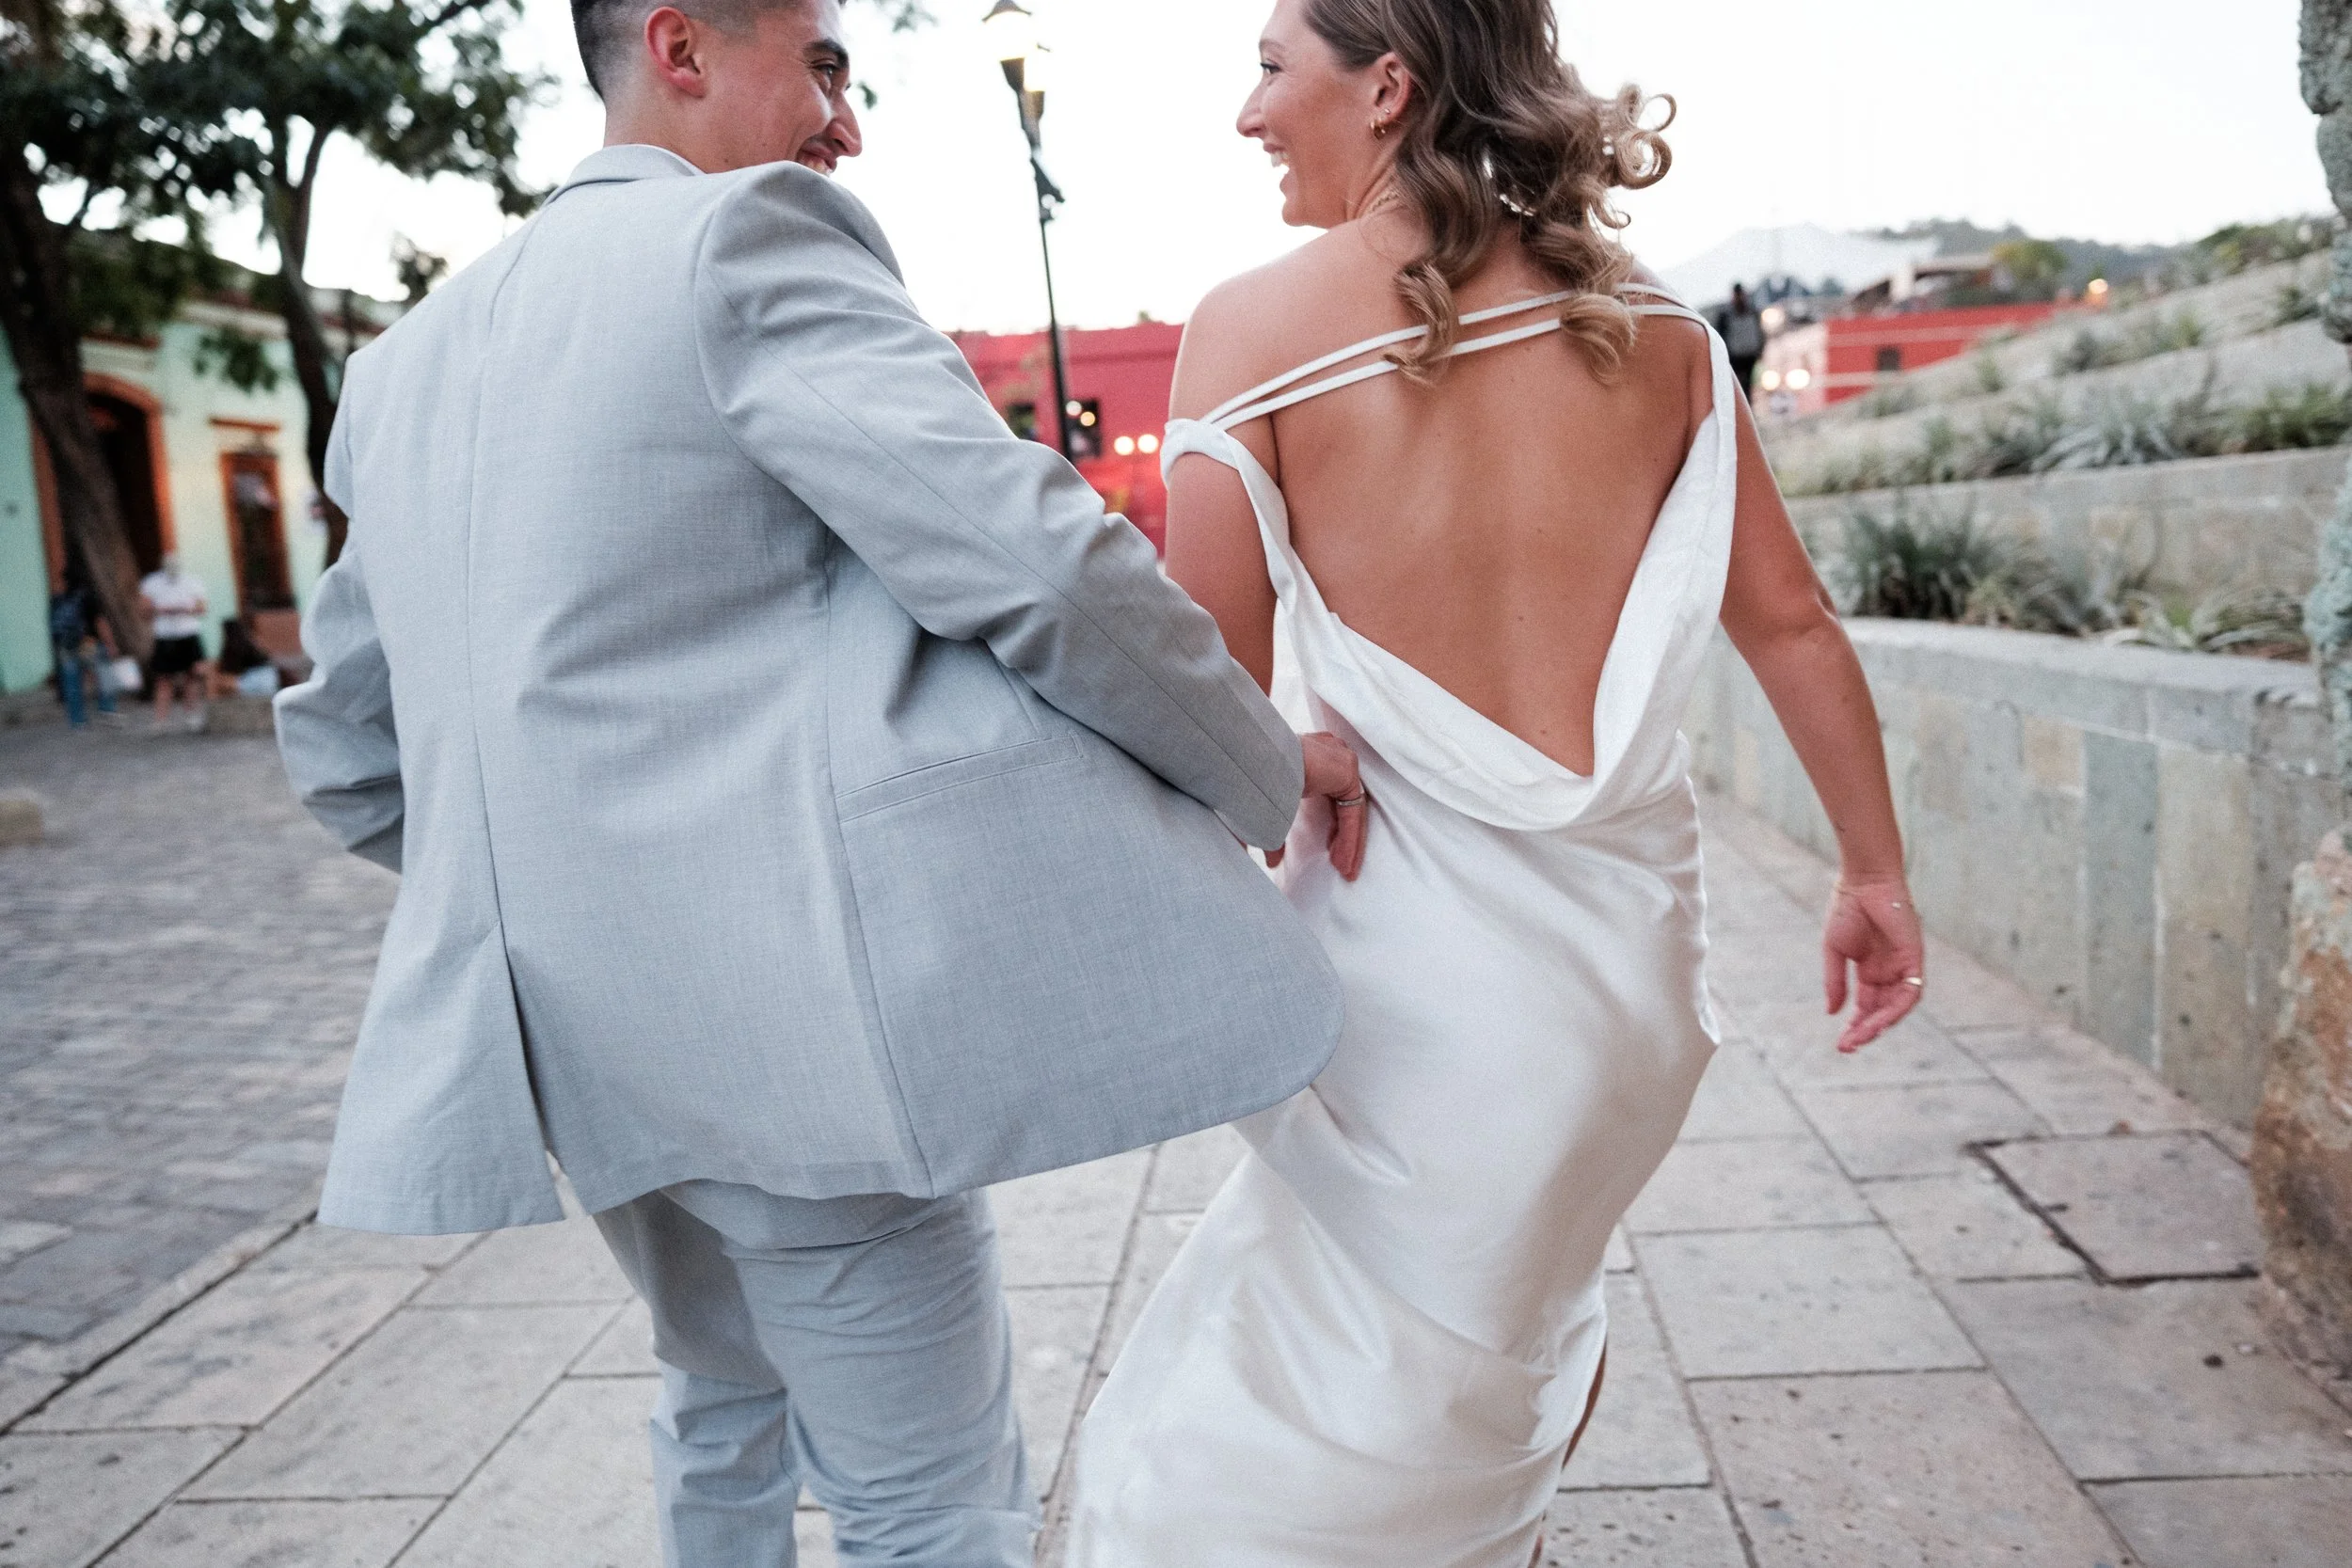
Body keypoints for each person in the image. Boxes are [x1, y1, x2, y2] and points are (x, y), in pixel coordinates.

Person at [272, 1, 1367, 1564]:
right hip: (791, 1032)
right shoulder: (744, 242)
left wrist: (580, 871)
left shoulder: (404, 363)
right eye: (829, 65)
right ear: (682, 44)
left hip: (585, 1044)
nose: (847, 124)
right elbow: (1038, 566)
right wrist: (1267, 766)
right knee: (931, 1501)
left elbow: (348, 751)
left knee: (724, 1409)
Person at [1064, 3, 1924, 1563]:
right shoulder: (1658, 333)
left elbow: (1196, 701)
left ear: (1386, 84)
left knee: (1301, 1405)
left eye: (1272, 67)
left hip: (1409, 991)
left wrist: (1292, 764)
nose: (1248, 115)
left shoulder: (1252, 333)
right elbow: (1791, 625)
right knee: (1506, 1344)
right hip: (1623, 995)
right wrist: (1874, 878)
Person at [140, 552, 210, 729]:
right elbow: (144, 609)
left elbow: (202, 608)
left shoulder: (192, 581)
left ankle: (192, 715)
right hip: (165, 636)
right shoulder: (152, 582)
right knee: (164, 679)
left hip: (188, 634)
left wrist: (185, 609)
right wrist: (159, 610)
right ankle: (160, 720)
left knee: (192, 676)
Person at [48, 576, 119, 729]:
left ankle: (77, 720)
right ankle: (107, 710)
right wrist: (110, 643)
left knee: (72, 683)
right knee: (103, 675)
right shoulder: (88, 596)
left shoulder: (57, 600)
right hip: (89, 643)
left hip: (66, 645)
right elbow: (99, 622)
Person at [209, 618, 281, 699]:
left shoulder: (235, 647)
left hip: (257, 681)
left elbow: (231, 670)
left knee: (221, 681)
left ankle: (213, 701)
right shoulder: (251, 643)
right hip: (270, 678)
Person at [1718, 280, 1767, 397]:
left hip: (1750, 355)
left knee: (1748, 386)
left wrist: (1760, 349)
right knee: (1738, 387)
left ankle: (1748, 408)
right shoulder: (1725, 316)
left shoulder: (1753, 312)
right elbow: (1721, 336)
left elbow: (1760, 332)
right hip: (1735, 357)